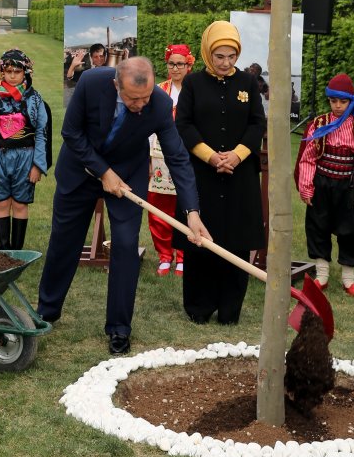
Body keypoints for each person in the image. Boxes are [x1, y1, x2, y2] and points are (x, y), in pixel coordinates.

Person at [37, 56, 211, 355]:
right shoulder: (91, 83)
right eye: (133, 99)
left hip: (128, 175)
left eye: (145, 98)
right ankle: (46, 311)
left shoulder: (159, 103)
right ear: (116, 84)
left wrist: (192, 213)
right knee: (64, 240)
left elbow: (178, 158)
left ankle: (119, 328)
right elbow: (71, 133)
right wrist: (103, 172)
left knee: (127, 246)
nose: (140, 105)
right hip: (80, 169)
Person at [175, 20, 265, 325]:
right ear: (207, 53)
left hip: (240, 175)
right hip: (203, 174)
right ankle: (199, 307)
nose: (226, 63)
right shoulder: (192, 84)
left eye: (232, 56)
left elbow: (257, 123)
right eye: (219, 57)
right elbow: (184, 124)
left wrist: (237, 155)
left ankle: (230, 310)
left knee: (237, 239)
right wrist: (211, 157)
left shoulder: (249, 83)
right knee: (201, 238)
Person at [294, 73, 354, 296]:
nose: (338, 106)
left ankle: (348, 279)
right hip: (321, 184)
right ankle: (321, 275)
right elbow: (308, 157)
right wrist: (306, 187)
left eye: (343, 101)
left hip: (347, 187)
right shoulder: (318, 124)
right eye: (333, 101)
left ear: (351, 101)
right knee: (317, 226)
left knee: (350, 230)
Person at [0, 49, 49, 251]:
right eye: (8, 71)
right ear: (2, 71)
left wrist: (38, 165)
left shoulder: (34, 99)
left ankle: (17, 252)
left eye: (17, 71)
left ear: (25, 72)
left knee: (19, 204)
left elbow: (42, 132)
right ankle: (3, 250)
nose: (12, 75)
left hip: (26, 157)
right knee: (1, 203)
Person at [148, 43, 195, 277]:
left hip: (187, 156)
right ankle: (165, 255)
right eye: (171, 64)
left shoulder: (195, 91)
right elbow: (147, 125)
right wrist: (147, 157)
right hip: (159, 156)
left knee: (187, 204)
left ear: (189, 65)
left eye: (180, 64)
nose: (175, 68)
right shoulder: (158, 91)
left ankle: (184, 256)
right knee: (159, 206)